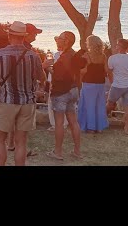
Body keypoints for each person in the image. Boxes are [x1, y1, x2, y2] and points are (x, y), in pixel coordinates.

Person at [0, 21, 45, 166]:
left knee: (0, 140)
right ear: (23, 37)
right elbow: (42, 77)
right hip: (27, 102)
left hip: (6, 101)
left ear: (9, 35)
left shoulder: (0, 54)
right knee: (21, 142)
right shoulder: (33, 56)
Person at [44, 31, 84, 160]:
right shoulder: (74, 54)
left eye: (59, 38)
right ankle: (77, 151)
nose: (57, 40)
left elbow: (58, 76)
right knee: (73, 121)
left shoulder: (65, 57)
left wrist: (46, 67)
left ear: (66, 41)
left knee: (59, 123)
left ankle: (58, 152)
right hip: (73, 91)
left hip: (61, 92)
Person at [106, 39, 128, 135]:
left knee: (109, 104)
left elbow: (109, 72)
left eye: (117, 45)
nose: (116, 46)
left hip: (117, 85)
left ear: (119, 47)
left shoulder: (112, 58)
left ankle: (103, 119)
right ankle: (127, 127)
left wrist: (112, 82)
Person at [78, 35, 109, 133]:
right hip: (100, 83)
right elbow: (106, 70)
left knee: (89, 105)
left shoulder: (87, 55)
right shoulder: (103, 56)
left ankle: (90, 127)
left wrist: (77, 70)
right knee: (99, 105)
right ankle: (99, 126)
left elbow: (84, 71)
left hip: (89, 82)